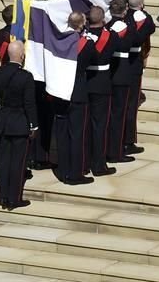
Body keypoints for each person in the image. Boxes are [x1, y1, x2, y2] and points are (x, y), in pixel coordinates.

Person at [0, 40, 38, 209]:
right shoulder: (26, 77)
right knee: (18, 163)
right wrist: (34, 125)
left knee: (4, 161)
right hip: (19, 124)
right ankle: (14, 198)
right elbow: (29, 103)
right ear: (22, 56)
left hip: (3, 121)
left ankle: (2, 197)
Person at [55, 11, 96, 185]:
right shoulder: (86, 44)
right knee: (77, 135)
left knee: (63, 134)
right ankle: (75, 173)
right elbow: (91, 59)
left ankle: (63, 170)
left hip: (60, 92)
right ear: (81, 24)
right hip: (78, 93)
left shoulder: (59, 41)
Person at [85, 6, 117, 177]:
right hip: (102, 82)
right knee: (100, 126)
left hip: (85, 82)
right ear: (103, 18)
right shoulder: (109, 36)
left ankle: (84, 161)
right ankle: (98, 164)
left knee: (85, 125)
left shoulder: (82, 36)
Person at [124, 0, 155, 155]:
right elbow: (150, 27)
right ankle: (128, 140)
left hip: (119, 67)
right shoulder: (144, 19)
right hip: (133, 65)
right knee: (131, 104)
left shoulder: (122, 17)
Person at [106, 0, 136, 164]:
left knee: (111, 114)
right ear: (125, 10)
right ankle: (116, 152)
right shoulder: (126, 27)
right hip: (122, 72)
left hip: (110, 72)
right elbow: (133, 41)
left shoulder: (107, 27)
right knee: (119, 115)